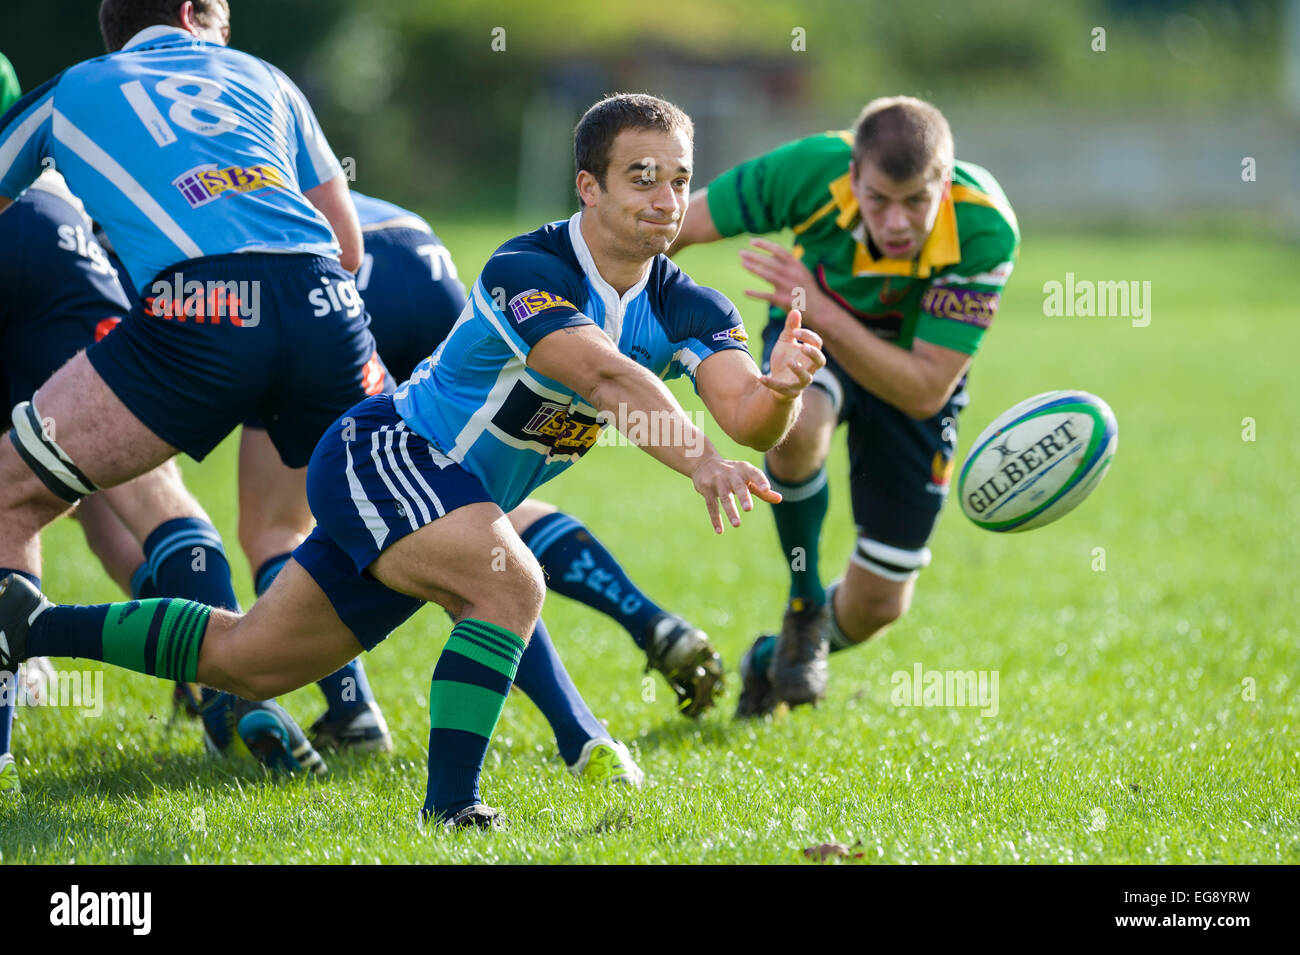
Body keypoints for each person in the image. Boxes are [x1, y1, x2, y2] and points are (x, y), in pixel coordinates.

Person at [0, 92, 826, 828]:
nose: (668, 198)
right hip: (384, 453)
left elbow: (749, 416)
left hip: (439, 493)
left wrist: (782, 389)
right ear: (588, 186)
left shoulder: (690, 303)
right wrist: (700, 462)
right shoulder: (527, 268)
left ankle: (26, 625)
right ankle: (452, 808)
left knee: (249, 658)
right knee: (510, 583)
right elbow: (603, 375)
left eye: (680, 179)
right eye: (642, 176)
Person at [0, 0, 390, 772]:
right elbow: (348, 245)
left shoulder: (76, 84)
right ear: (190, 13)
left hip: (198, 310)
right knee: (397, 524)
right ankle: (358, 707)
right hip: (328, 312)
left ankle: (9, 740)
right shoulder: (267, 77)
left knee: (13, 494)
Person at [671, 96, 1020, 715]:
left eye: (916, 201)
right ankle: (805, 605)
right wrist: (590, 314)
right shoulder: (810, 169)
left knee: (879, 605)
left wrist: (828, 307)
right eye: (878, 199)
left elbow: (923, 387)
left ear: (946, 179)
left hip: (907, 367)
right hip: (810, 337)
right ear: (853, 175)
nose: (895, 221)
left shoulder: (985, 227)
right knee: (797, 423)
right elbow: (679, 228)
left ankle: (769, 657)